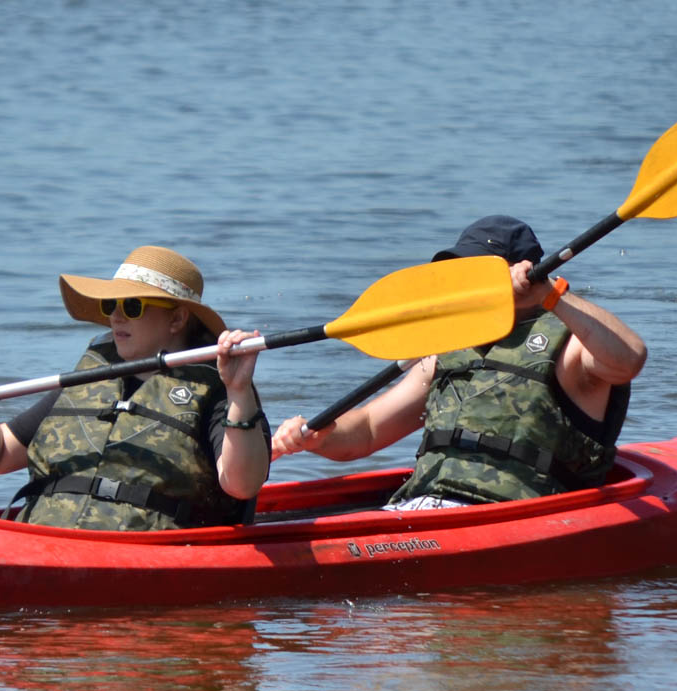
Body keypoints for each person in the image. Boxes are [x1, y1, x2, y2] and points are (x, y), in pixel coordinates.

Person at [271, 215, 645, 510]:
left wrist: (552, 294)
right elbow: (367, 431)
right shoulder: (446, 344)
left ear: (524, 271)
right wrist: (320, 438)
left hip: (515, 513)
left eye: (474, 271)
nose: (461, 283)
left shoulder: (570, 342)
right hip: (422, 505)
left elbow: (629, 359)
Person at [0, 245, 269, 531]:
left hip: (146, 552)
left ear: (177, 319)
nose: (116, 317)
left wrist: (239, 391)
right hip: (45, 536)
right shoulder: (93, 376)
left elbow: (242, 484)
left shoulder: (220, 389)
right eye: (111, 305)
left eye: (132, 306)